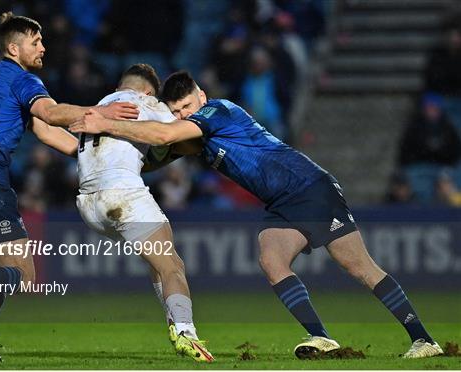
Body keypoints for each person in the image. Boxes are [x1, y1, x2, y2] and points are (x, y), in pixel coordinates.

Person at [70, 71, 444, 359]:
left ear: (201, 95)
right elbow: (154, 154)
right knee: (271, 258)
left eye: (188, 106)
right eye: (178, 112)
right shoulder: (196, 134)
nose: (185, 114)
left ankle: (422, 339)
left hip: (309, 188)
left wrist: (105, 123)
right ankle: (322, 337)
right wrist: (99, 155)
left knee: (359, 267)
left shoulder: (219, 110)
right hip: (282, 204)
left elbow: (162, 138)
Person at [0, 12, 138, 362]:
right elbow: (53, 114)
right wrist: (101, 115)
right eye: (35, 42)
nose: (43, 47)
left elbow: (44, 131)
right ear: (14, 48)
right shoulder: (22, 80)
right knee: (25, 275)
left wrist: (88, 152)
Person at [75, 64, 213, 362]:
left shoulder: (97, 107)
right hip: (123, 196)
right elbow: (179, 135)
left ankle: (175, 322)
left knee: (156, 264)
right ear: (150, 92)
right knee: (172, 265)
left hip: (88, 205)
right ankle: (186, 331)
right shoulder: (144, 103)